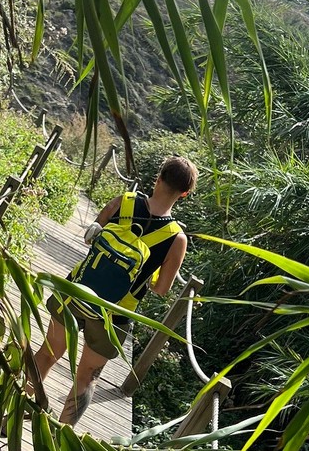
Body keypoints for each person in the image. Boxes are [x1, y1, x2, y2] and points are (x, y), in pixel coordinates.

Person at [31, 155, 198, 426]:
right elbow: (161, 289)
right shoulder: (177, 239)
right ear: (184, 194)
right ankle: (60, 437)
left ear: (158, 178)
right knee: (87, 376)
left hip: (76, 291)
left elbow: (90, 238)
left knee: (48, 353)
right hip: (115, 314)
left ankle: (14, 413)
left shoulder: (124, 202)